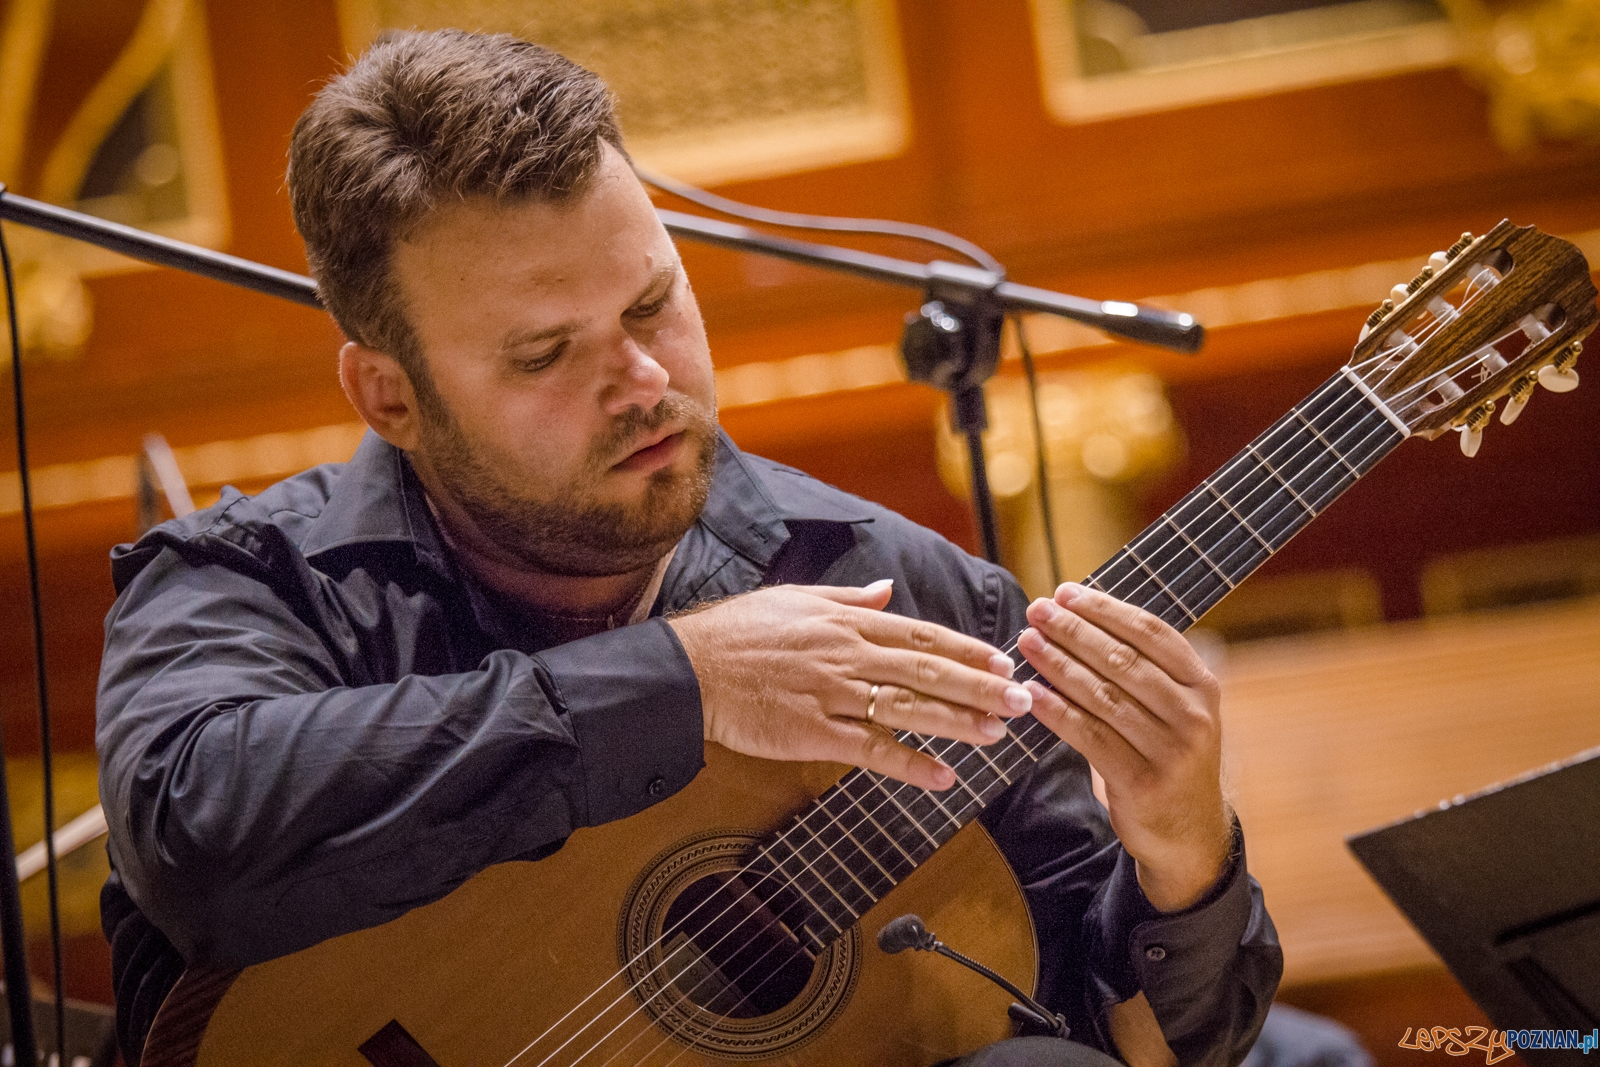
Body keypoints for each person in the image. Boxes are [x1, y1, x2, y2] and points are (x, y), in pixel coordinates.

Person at [96, 28, 1281, 1067]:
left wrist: (1181, 847)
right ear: (389, 395)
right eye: (546, 353)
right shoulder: (252, 579)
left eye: (653, 302)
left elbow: (1118, 1032)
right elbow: (194, 834)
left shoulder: (893, 586)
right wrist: (687, 683)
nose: (646, 380)